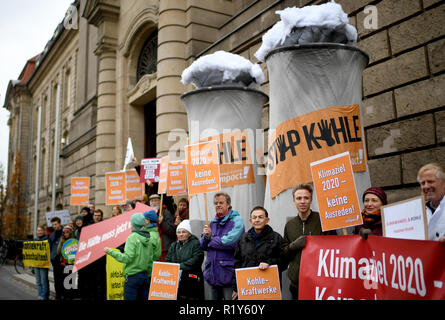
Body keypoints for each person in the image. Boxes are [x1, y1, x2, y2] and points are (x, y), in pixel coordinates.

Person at [283, 183, 337, 300]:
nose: (302, 201)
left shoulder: (323, 221)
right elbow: (284, 255)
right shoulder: (289, 225)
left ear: (311, 200)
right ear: (294, 201)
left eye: (306, 198)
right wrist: (292, 247)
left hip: (319, 283)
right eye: (299, 198)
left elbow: (335, 249)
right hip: (296, 284)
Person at [232, 206, 286, 299]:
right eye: (254, 217)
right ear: (250, 221)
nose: (257, 220)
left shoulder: (276, 238)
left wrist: (270, 263)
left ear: (267, 220)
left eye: (260, 217)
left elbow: (284, 261)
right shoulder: (243, 239)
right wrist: (236, 287)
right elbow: (237, 263)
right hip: (248, 288)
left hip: (268, 288)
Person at [200, 192, 244, 300]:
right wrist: (206, 238)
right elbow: (202, 245)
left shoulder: (236, 221)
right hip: (211, 274)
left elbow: (230, 242)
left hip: (227, 275)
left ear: (228, 204)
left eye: (221, 202)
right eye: (216, 203)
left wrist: (210, 239)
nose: (218, 205)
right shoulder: (212, 222)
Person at [104, 213, 153, 300]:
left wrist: (110, 251)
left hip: (133, 277)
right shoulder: (149, 239)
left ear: (133, 224)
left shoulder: (132, 238)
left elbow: (127, 258)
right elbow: (150, 259)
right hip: (145, 277)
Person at [165, 219, 204, 300]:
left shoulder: (196, 244)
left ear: (189, 234)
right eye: (179, 232)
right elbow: (168, 260)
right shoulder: (174, 245)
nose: (181, 234)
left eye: (184, 232)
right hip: (176, 280)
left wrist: (178, 267)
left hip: (192, 281)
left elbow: (195, 260)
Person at [418, 163, 445, 242]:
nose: (426, 186)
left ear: (444, 183)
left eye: (430, 182)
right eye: (423, 183)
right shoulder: (419, 211)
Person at [150, 194, 176, 261]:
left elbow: (171, 230)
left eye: (156, 200)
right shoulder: (148, 214)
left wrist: (162, 222)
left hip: (164, 247)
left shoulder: (166, 213)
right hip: (153, 247)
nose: (154, 203)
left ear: (160, 202)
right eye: (152, 201)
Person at [57, 225, 77, 300]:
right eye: (64, 233)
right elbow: (58, 252)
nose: (65, 234)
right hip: (64, 264)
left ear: (70, 233)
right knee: (65, 282)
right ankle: (65, 296)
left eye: (67, 232)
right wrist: (61, 243)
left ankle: (70, 297)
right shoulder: (62, 241)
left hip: (72, 264)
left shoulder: (74, 241)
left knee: (71, 282)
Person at [48, 217, 64, 300]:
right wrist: (51, 257)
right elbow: (50, 245)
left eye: (55, 224)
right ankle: (58, 295)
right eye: (53, 224)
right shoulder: (53, 233)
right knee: (56, 279)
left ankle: (63, 295)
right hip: (55, 260)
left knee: (63, 278)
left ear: (59, 223)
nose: (54, 226)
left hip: (63, 260)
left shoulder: (65, 232)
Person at [34, 225, 50, 300]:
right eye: (38, 230)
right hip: (36, 264)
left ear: (44, 231)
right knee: (38, 281)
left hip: (44, 264)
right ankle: (40, 294)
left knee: (44, 281)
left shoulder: (47, 240)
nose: (39, 232)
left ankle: (44, 296)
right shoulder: (35, 240)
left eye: (40, 230)